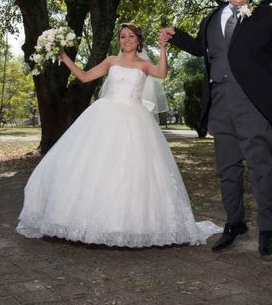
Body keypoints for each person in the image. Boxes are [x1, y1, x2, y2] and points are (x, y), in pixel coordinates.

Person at [16, 23, 221, 247]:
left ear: (138, 40)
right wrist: (64, 57)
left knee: (132, 171)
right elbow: (84, 77)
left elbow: (161, 73)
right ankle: (89, 222)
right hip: (105, 115)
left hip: (135, 119)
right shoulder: (111, 61)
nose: (126, 40)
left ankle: (131, 225)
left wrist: (163, 47)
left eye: (131, 36)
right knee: (97, 167)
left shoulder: (144, 65)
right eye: (123, 37)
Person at [159, 0, 272, 259]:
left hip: (252, 104)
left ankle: (266, 231)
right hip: (219, 104)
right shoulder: (210, 18)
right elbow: (200, 48)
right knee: (227, 169)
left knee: (260, 168)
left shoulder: (266, 15)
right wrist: (176, 35)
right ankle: (234, 224)